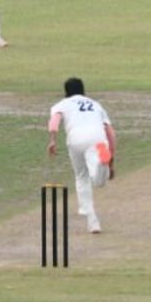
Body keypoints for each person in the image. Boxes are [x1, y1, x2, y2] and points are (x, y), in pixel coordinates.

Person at [48, 78, 117, 234]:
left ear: (66, 92)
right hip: (99, 140)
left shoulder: (61, 104)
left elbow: (54, 123)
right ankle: (102, 162)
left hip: (75, 139)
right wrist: (112, 161)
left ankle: (92, 220)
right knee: (100, 181)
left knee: (81, 176)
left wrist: (52, 141)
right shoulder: (96, 105)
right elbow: (111, 133)